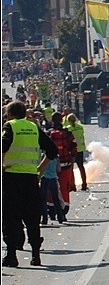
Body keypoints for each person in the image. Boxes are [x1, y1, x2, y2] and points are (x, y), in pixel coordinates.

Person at [2, 101, 58, 267]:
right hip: (31, 178)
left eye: (6, 112)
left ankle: (11, 255)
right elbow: (52, 150)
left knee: (10, 217)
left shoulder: (10, 126)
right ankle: (35, 255)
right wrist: (40, 170)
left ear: (11, 114)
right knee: (32, 217)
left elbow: (3, 145)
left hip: (12, 178)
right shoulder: (33, 128)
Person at [48, 112, 78, 218]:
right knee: (64, 186)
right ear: (61, 120)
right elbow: (73, 146)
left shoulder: (49, 133)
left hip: (51, 165)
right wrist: (72, 158)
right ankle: (64, 206)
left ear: (52, 120)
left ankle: (51, 208)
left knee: (51, 187)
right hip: (65, 164)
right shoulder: (67, 133)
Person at [66, 113, 88, 191]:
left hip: (72, 150)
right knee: (81, 167)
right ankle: (84, 184)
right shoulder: (80, 127)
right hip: (80, 149)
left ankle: (72, 186)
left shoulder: (68, 128)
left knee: (71, 168)